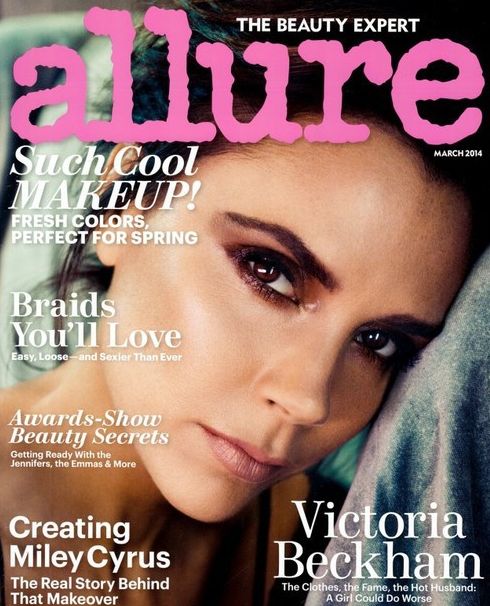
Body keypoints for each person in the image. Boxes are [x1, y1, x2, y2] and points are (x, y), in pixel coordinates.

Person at [0, 2, 487, 605]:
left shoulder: (357, 556)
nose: (309, 400)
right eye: (269, 272)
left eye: (377, 341)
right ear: (125, 200)